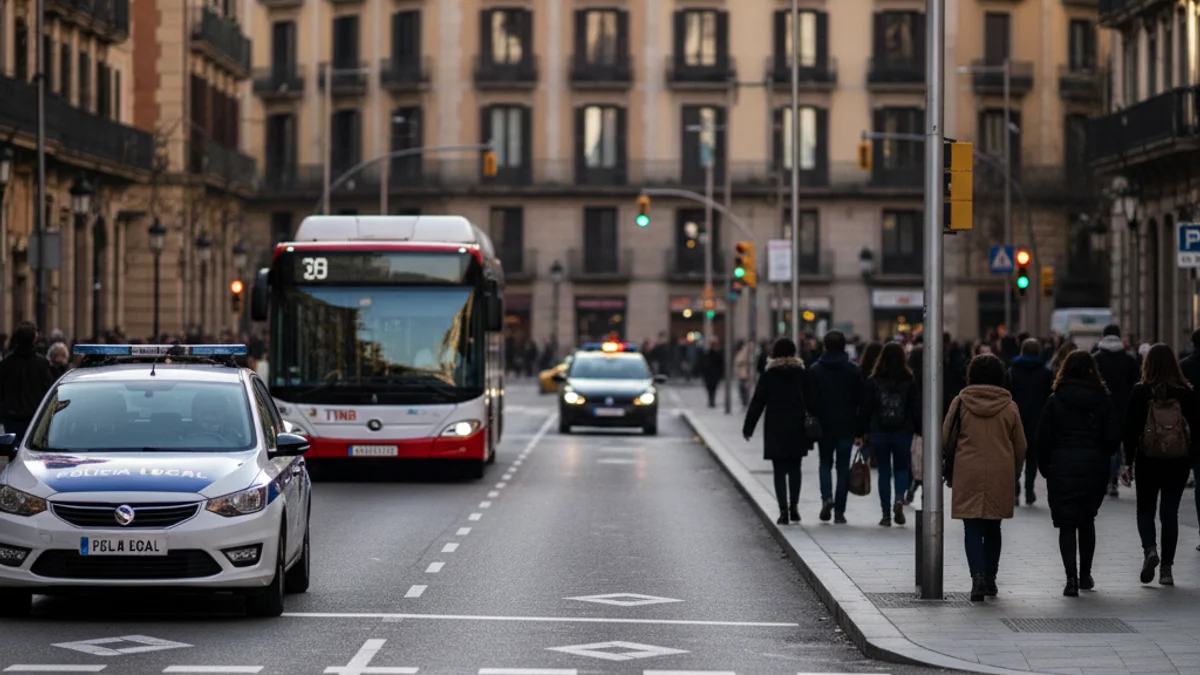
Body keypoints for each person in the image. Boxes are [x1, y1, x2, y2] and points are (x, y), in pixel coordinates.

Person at [1035, 350, 1121, 596]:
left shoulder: (1055, 400)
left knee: (1066, 524)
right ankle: (1085, 575)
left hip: (1061, 466)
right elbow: (1113, 436)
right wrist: (1102, 454)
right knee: (1086, 520)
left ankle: (1070, 579)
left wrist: (1046, 466)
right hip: (1093, 467)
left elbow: (1042, 438)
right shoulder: (1102, 399)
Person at [943, 353, 1026, 602]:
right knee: (993, 527)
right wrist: (1016, 472)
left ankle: (977, 577)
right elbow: (1020, 445)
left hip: (968, 471)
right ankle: (990, 579)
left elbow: (946, 437)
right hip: (1000, 472)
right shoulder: (1009, 406)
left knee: (971, 526)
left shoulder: (961, 402)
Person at [1121, 343, 1200, 586]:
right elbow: (1195, 429)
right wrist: (1190, 458)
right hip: (1177, 461)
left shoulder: (1141, 391)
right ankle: (1166, 569)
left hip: (1148, 459)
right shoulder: (1185, 392)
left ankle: (1150, 549)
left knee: (1145, 509)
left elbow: (1130, 430)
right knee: (1169, 512)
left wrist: (1128, 462)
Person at [743, 338, 812, 525]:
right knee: (795, 467)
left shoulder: (769, 375)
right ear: (794, 352)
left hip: (776, 427)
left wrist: (748, 428)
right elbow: (812, 400)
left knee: (779, 470)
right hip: (797, 426)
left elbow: (758, 402)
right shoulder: (802, 373)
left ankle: (783, 511)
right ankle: (794, 507)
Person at [861, 342, 920, 527]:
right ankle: (899, 498)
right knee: (901, 469)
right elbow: (915, 407)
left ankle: (886, 514)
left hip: (879, 431)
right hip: (903, 431)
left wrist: (861, 431)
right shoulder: (909, 380)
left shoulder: (873, 380)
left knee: (884, 471)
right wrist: (919, 429)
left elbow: (866, 408)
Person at [808, 330, 862, 524]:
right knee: (842, 467)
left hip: (824, 426)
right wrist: (860, 429)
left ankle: (826, 498)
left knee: (825, 464)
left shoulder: (816, 369)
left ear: (825, 346)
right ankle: (839, 511)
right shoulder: (853, 370)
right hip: (847, 425)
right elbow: (860, 400)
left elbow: (811, 400)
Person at [1094, 325, 1140, 498]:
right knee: (1117, 446)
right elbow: (1136, 385)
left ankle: (1104, 477)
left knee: (1101, 444)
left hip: (1100, 408)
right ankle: (1113, 479)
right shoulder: (1129, 361)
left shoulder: (1095, 359)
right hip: (1123, 408)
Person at [1007, 338, 1053, 506]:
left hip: (1015, 418)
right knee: (1032, 455)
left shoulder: (1012, 371)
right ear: (1038, 352)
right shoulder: (1046, 373)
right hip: (1037, 419)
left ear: (1022, 352)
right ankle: (1029, 488)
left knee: (1014, 454)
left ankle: (1015, 488)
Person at [0, 322, 56, 441]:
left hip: (12, 417)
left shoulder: (7, 363)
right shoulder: (42, 363)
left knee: (14, 447)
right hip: (36, 417)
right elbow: (49, 390)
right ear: (35, 338)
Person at [700, 338, 724, 408]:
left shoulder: (717, 354)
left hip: (713, 375)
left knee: (712, 389)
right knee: (711, 389)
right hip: (710, 374)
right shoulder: (711, 354)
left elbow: (721, 365)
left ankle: (711, 401)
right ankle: (711, 401)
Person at [733, 339, 755, 408]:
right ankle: (744, 403)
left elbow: (739, 361)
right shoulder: (742, 352)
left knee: (744, 390)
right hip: (742, 374)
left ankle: (745, 403)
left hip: (744, 375)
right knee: (743, 390)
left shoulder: (743, 352)